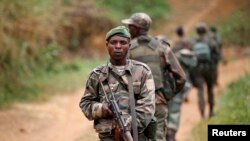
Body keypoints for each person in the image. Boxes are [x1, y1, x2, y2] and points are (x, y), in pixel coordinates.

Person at [79, 26, 156, 141]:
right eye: (113, 42)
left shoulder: (142, 71)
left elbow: (148, 105)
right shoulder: (97, 75)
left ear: (129, 46)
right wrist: (101, 109)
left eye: (123, 42)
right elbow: (85, 103)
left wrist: (129, 125)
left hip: (136, 135)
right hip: (108, 136)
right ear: (107, 45)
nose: (118, 46)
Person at [122, 13, 186, 141]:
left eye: (130, 26)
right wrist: (166, 95)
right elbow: (181, 77)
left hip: (135, 105)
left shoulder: (127, 49)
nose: (128, 29)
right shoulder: (162, 47)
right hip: (158, 103)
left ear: (136, 28)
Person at [164, 26, 197, 141]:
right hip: (181, 74)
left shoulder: (175, 45)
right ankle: (172, 135)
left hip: (168, 83)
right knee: (174, 111)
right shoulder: (188, 42)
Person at [190, 22, 217, 119]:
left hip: (198, 69)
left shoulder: (193, 42)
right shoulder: (210, 41)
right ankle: (211, 112)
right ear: (205, 31)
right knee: (210, 89)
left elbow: (190, 56)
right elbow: (216, 54)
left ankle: (202, 115)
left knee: (200, 91)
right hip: (209, 68)